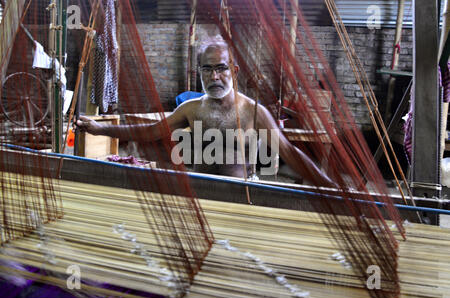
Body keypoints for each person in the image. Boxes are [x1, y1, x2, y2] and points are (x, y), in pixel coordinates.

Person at [75, 39, 336, 188]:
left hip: (241, 194)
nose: (214, 77)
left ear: (233, 71)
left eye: (221, 69)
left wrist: (332, 187)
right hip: (201, 191)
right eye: (207, 69)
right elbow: (148, 132)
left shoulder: (253, 111)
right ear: (199, 72)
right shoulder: (191, 109)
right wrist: (101, 129)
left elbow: (289, 152)